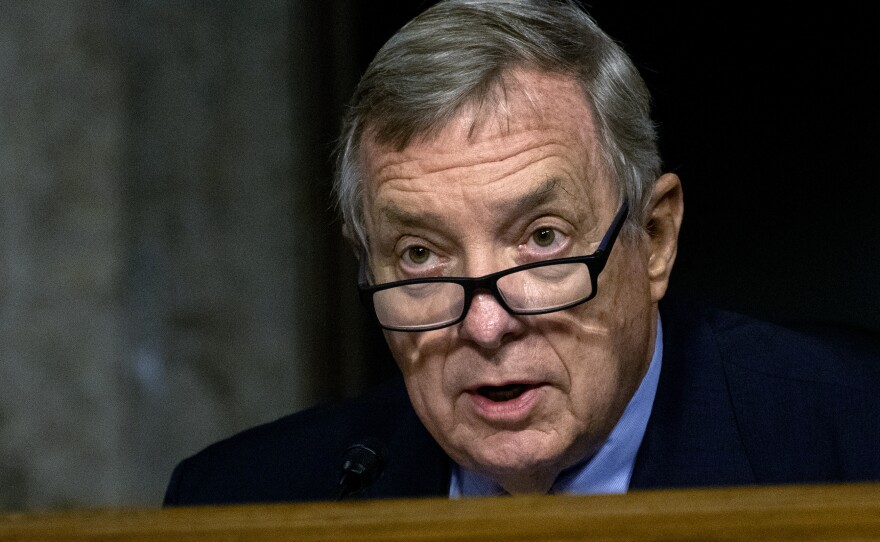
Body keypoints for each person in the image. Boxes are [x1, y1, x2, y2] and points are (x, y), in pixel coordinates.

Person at [163, 0, 880, 505]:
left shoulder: (855, 439)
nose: (485, 325)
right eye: (420, 255)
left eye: (542, 239)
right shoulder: (239, 503)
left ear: (655, 239)